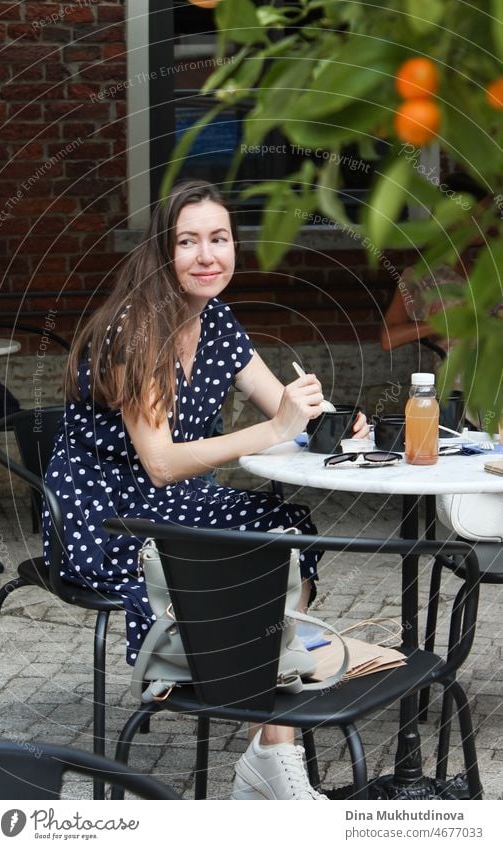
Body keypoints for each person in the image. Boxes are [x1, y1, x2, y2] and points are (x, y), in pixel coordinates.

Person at [42, 179, 368, 800]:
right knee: (226, 558)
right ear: (164, 253)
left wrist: (326, 418)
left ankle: (267, 745)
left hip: (178, 499)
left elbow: (281, 416)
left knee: (287, 530)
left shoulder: (215, 321)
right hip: (108, 512)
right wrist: (275, 427)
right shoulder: (133, 331)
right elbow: (161, 463)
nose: (206, 255)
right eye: (188, 242)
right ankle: (272, 747)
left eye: (218, 239)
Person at [379, 174, 490, 429]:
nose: (486, 224)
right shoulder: (421, 278)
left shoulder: (488, 272)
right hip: (457, 391)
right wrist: (439, 324)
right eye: (479, 215)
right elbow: (387, 338)